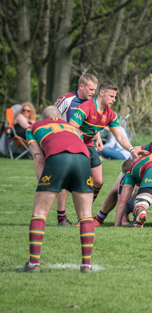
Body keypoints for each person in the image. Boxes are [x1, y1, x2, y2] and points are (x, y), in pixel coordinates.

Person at [17, 106, 95, 273]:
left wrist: (44, 186)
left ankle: (33, 265)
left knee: (39, 212)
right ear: (61, 117)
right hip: (83, 160)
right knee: (86, 215)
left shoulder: (33, 127)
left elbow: (38, 158)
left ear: (41, 117)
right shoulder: (74, 128)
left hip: (58, 157)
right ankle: (86, 266)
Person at [70, 80, 143, 208]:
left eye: (115, 97)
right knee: (77, 183)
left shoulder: (110, 114)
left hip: (88, 144)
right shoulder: (84, 108)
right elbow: (71, 130)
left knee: (98, 181)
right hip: (74, 145)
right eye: (111, 96)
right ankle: (76, 214)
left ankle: (85, 209)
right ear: (102, 92)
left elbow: (120, 136)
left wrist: (131, 150)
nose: (114, 100)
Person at [54, 73, 102, 226]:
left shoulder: (92, 102)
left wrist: (98, 137)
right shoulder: (66, 100)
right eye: (91, 89)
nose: (93, 92)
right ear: (81, 86)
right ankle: (62, 218)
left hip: (87, 143)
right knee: (66, 179)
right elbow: (51, 118)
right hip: (66, 143)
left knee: (98, 181)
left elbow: (94, 120)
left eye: (95, 89)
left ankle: (85, 213)